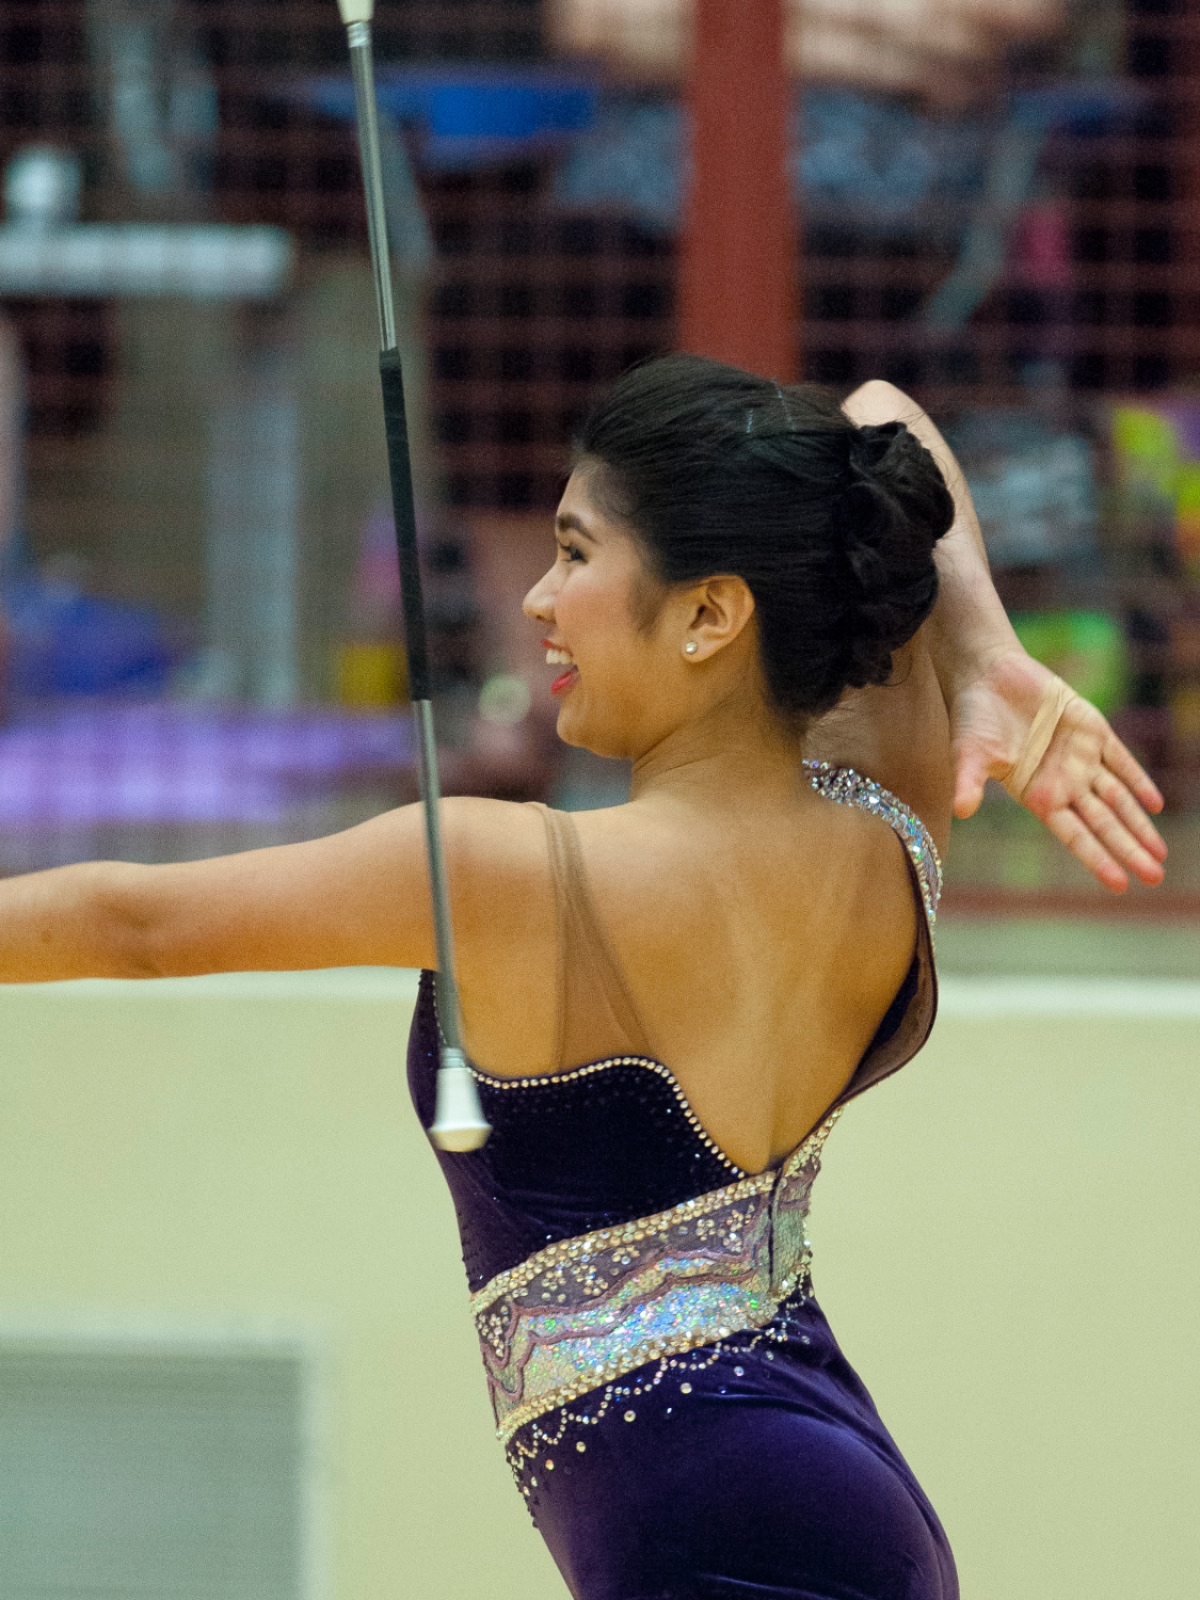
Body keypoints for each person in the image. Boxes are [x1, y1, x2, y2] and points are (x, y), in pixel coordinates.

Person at [0, 357, 1165, 1599]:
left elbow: (128, 924)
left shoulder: (510, 876)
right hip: (822, 1493)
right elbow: (884, 417)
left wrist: (981, 652)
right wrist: (980, 653)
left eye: (575, 553)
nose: (540, 602)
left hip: (726, 1531)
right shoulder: (891, 820)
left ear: (711, 614)